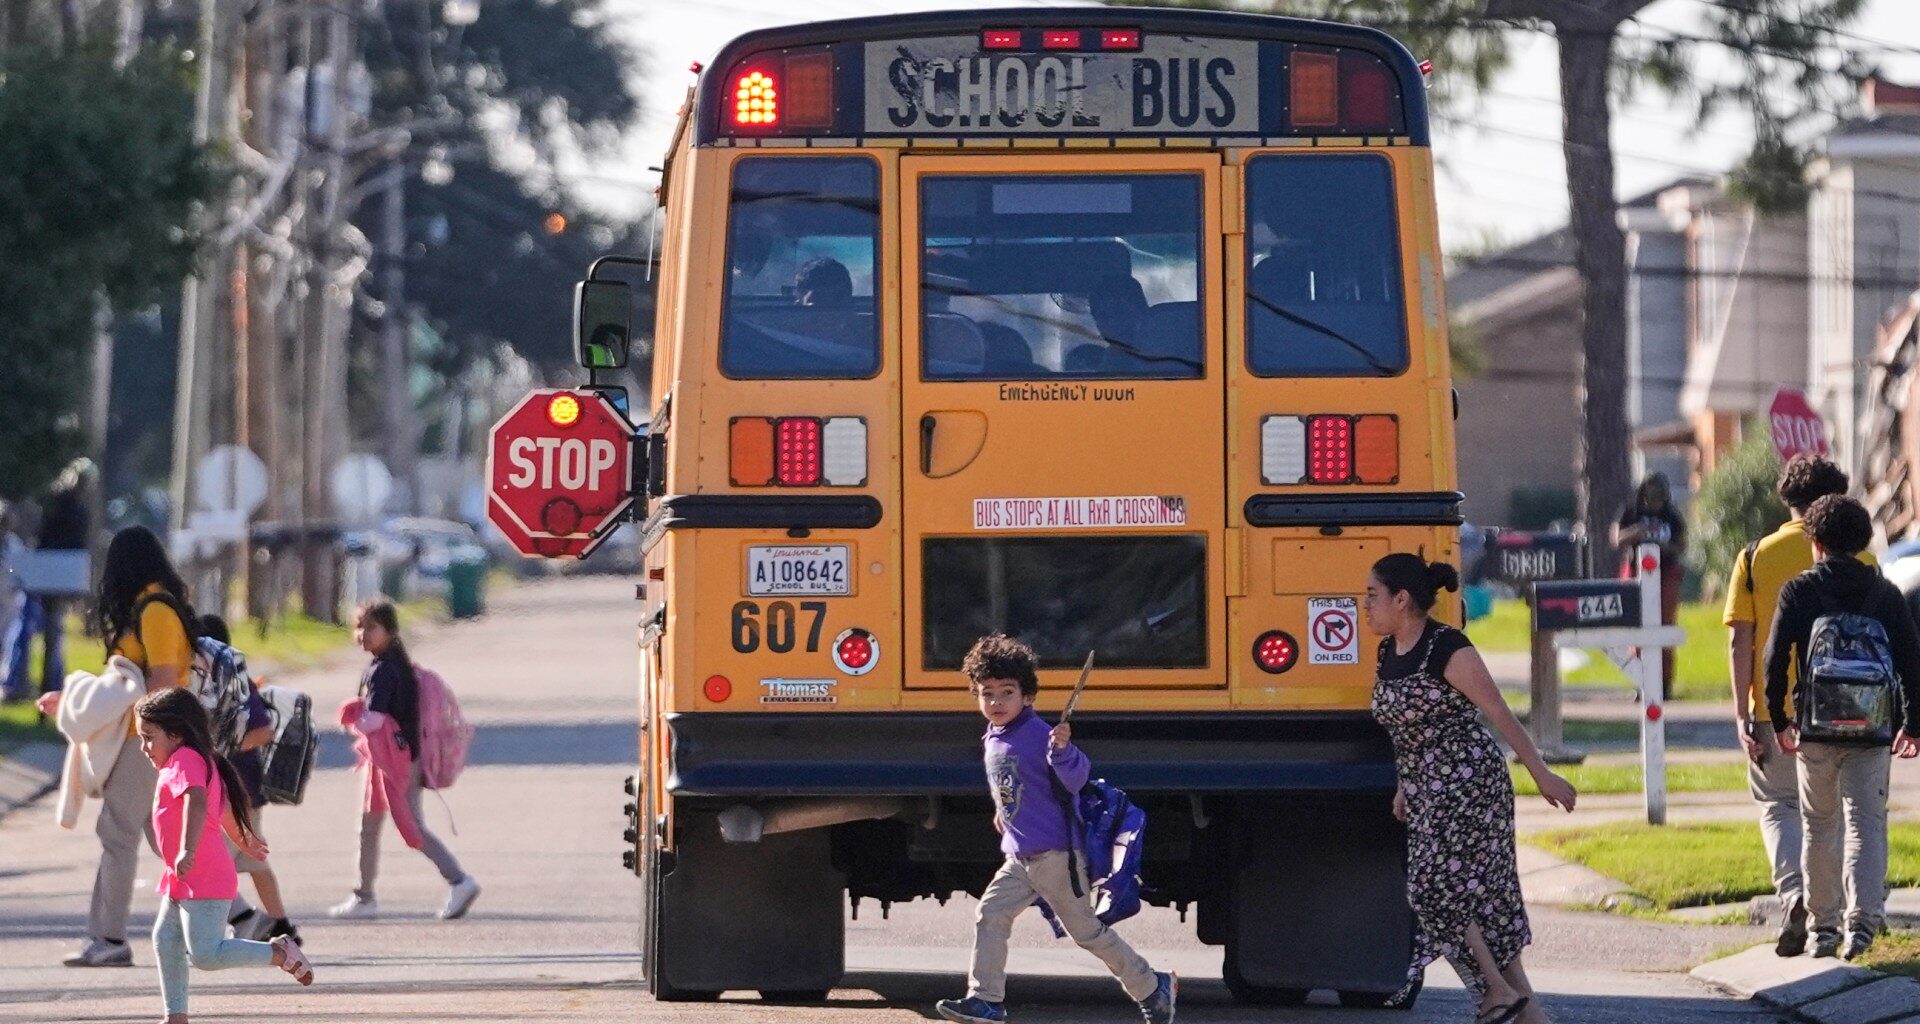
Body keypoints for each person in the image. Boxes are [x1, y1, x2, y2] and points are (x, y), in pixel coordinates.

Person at [1366, 554, 1575, 1024]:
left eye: (1372, 595)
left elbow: (1499, 713)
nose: (1366, 605)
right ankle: (1526, 1012)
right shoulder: (1388, 652)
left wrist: (1541, 775)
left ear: (1402, 600)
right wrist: (1404, 785)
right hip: (1425, 788)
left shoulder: (1447, 647)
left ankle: (1496, 992)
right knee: (1481, 905)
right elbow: (1405, 729)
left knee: (1431, 888)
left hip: (1469, 781)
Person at [934, 634, 1176, 1024]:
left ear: (1027, 697)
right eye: (987, 693)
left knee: (1088, 933)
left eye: (1006, 692)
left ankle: (1152, 986)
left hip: (1056, 856)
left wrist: (1063, 750)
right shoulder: (994, 737)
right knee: (991, 915)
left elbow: (1077, 776)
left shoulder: (1040, 735)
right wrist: (1004, 813)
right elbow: (1013, 785)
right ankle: (987, 1000)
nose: (995, 702)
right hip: (1019, 857)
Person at [1766, 495, 1920, 960]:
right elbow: (1911, 660)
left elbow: (1775, 661)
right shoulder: (1885, 593)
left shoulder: (1799, 590)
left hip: (1816, 727)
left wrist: (1779, 719)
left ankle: (1824, 928)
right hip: (1872, 729)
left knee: (1818, 825)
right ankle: (1864, 925)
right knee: (1866, 823)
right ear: (1862, 541)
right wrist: (1912, 724)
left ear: (1815, 543)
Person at [38, 525, 197, 968]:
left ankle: (108, 938)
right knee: (164, 839)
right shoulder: (152, 607)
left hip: (146, 739)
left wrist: (150, 736)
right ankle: (234, 917)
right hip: (147, 737)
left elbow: (164, 679)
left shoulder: (155, 610)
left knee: (117, 834)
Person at [1724, 455, 1862, 956]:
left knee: (1779, 805)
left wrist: (1743, 712)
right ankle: (1844, 913)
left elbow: (1741, 640)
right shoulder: (1861, 558)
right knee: (1839, 811)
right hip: (1847, 709)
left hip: (1775, 710)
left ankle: (1795, 893)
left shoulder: (1756, 555)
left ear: (1788, 502)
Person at [137, 687, 312, 1022]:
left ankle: (280, 952)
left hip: (202, 875)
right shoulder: (193, 759)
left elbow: (199, 802)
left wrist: (187, 848)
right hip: (185, 875)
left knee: (206, 954)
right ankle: (176, 1016)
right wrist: (243, 839)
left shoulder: (186, 760)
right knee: (166, 939)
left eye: (149, 737)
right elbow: (225, 809)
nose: (144, 747)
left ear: (175, 734)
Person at [330, 599, 480, 921]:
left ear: (391, 631)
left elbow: (375, 720)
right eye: (359, 627)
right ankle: (363, 896)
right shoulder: (391, 665)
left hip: (394, 763)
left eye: (371, 628)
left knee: (411, 828)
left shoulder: (384, 670)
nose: (362, 634)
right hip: (389, 759)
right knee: (369, 825)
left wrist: (351, 718)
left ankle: (459, 880)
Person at [199, 614, 303, 946]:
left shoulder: (233, 686)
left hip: (237, 792)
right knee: (252, 858)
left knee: (212, 863)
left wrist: (225, 747)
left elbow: (262, 730)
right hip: (243, 789)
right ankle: (280, 925)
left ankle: (226, 927)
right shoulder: (217, 684)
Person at [1613, 472, 1687, 699]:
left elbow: (1681, 546)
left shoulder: (1672, 517)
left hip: (1666, 575)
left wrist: (1661, 546)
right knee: (1637, 630)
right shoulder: (1632, 512)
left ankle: (1665, 685)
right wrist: (1639, 532)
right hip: (1636, 573)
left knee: (1663, 629)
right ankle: (1640, 682)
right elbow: (1616, 538)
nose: (1655, 504)